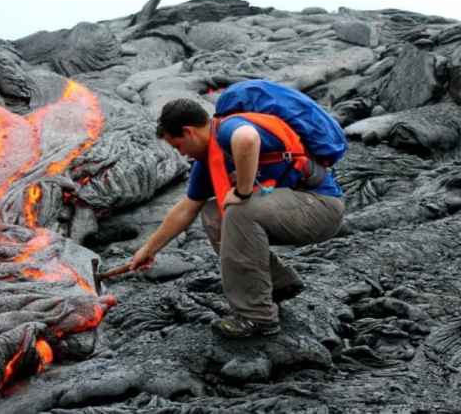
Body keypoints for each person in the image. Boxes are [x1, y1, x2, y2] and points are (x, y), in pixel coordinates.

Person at [127, 91, 344, 338]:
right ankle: (278, 283)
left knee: (239, 209)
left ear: (189, 132)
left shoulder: (229, 128)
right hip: (290, 209)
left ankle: (256, 317)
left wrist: (241, 191)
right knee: (213, 213)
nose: (182, 154)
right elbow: (186, 209)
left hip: (320, 206)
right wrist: (149, 249)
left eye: (178, 146)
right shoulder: (208, 162)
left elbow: (248, 139)